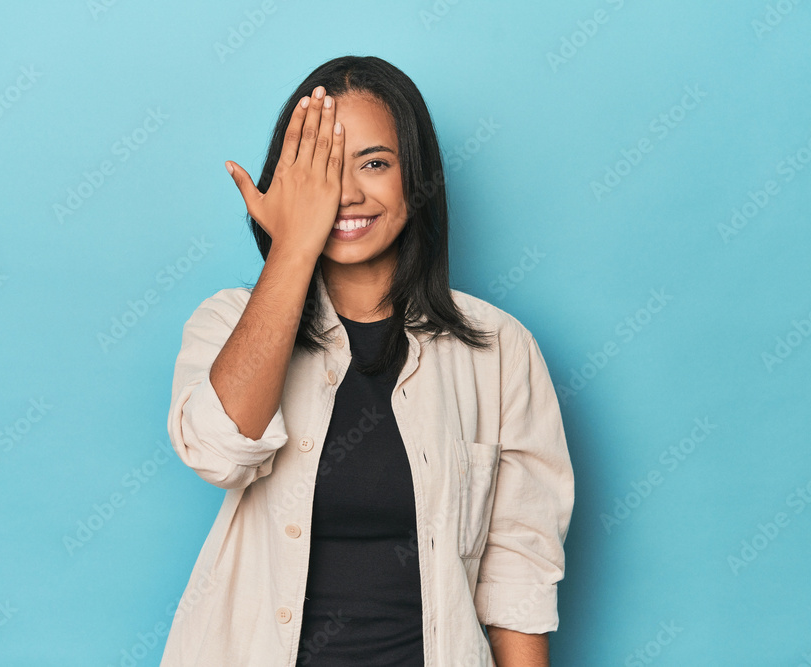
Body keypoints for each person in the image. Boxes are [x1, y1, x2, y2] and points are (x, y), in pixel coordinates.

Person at [160, 55, 574, 666]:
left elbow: (521, 572)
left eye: (374, 163)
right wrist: (293, 244)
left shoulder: (499, 347)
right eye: (323, 169)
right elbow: (219, 453)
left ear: (416, 177)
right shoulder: (226, 322)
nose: (347, 193)